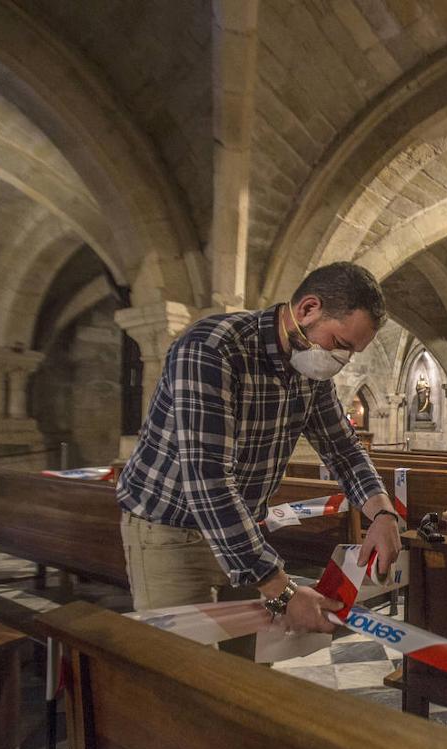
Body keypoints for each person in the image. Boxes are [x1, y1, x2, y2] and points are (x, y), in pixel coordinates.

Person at [117, 262, 403, 644]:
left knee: (248, 675)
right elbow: (209, 481)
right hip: (171, 534)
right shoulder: (212, 348)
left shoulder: (309, 372)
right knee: (184, 676)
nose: (342, 361)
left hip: (243, 531)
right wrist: (282, 590)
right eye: (340, 344)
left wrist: (382, 512)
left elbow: (343, 449)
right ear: (308, 310)